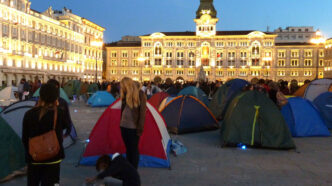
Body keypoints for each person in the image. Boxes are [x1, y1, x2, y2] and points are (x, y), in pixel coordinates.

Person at [22, 83, 71, 186]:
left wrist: (30, 153)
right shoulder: (59, 113)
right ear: (56, 97)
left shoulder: (29, 114)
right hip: (53, 159)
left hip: (34, 159)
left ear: (40, 96)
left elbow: (25, 138)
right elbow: (68, 127)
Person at [120, 77, 146, 169]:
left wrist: (140, 128)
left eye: (123, 86)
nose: (121, 88)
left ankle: (133, 170)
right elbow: (123, 110)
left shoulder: (140, 94)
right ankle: (129, 168)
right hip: (123, 126)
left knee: (133, 150)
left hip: (133, 128)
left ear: (127, 85)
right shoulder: (125, 94)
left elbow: (142, 113)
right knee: (128, 149)